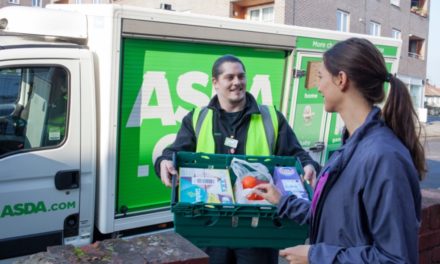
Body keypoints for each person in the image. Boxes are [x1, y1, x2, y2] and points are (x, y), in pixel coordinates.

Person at [254, 38, 425, 264]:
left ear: (341, 79)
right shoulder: (351, 148)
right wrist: (283, 201)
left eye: (321, 77)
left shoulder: (383, 157)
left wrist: (316, 256)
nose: (318, 87)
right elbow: (337, 222)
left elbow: (396, 259)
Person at [154, 54, 319, 264]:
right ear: (215, 82)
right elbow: (174, 153)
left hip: (258, 229)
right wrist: (164, 161)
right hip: (212, 228)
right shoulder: (197, 118)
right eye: (229, 77)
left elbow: (297, 154)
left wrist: (308, 164)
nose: (237, 82)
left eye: (241, 76)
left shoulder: (271, 118)